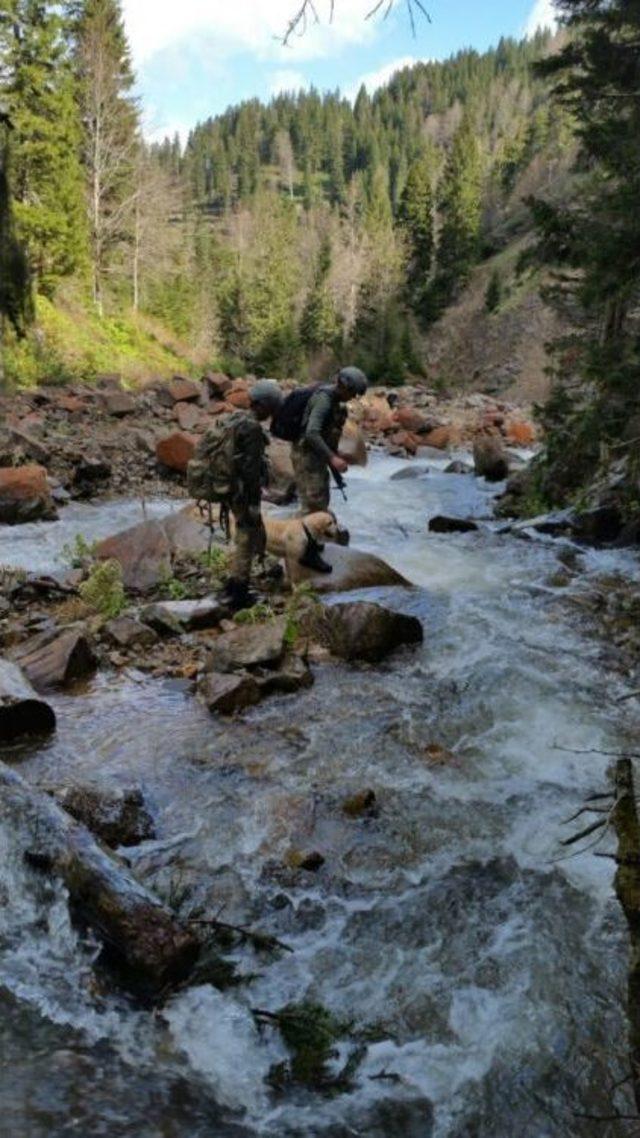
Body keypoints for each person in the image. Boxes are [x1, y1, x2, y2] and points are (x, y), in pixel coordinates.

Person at [218, 380, 283, 612]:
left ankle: (233, 585)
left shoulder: (233, 419)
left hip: (229, 488)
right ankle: (238, 591)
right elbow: (251, 470)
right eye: (272, 408)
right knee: (245, 539)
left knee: (245, 535)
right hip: (243, 492)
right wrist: (255, 502)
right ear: (263, 406)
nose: (272, 414)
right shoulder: (252, 428)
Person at [291, 366, 368, 515]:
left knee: (319, 503)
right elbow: (311, 433)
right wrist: (333, 458)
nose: (353, 397)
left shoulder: (336, 402)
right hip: (306, 457)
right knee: (313, 508)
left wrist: (334, 460)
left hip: (317, 457)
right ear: (343, 386)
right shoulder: (324, 400)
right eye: (352, 392)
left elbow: (328, 436)